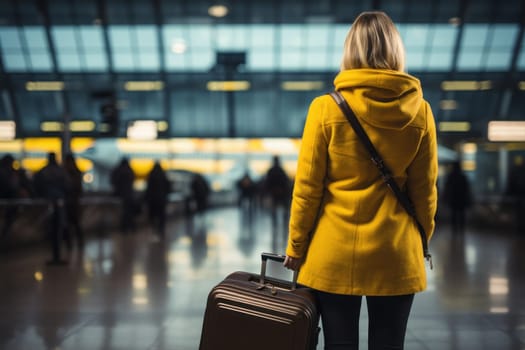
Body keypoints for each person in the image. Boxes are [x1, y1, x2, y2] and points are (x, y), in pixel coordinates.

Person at [283, 11, 438, 350]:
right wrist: (421, 238)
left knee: (340, 344)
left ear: (350, 50)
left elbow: (307, 188)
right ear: (396, 49)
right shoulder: (421, 112)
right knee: (389, 344)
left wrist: (296, 246)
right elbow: (425, 190)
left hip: (335, 252)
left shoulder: (325, 108)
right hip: (397, 250)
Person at [33, 152, 68, 265]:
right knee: (58, 228)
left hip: (47, 203)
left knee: (51, 229)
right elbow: (68, 186)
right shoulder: (61, 172)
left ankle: (55, 255)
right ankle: (57, 255)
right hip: (60, 203)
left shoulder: (43, 171)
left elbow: (36, 184)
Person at [442, 161, 472, 234]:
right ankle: (461, 230)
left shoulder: (451, 176)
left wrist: (445, 198)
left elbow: (447, 188)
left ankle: (455, 230)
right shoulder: (463, 177)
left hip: (454, 199)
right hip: (461, 199)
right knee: (461, 215)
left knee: (454, 215)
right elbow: (467, 189)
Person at [63, 153, 85, 249]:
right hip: (72, 202)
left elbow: (78, 188)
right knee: (71, 225)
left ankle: (75, 244)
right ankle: (71, 244)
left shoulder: (69, 173)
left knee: (75, 224)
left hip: (72, 203)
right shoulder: (74, 173)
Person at [145, 161, 171, 238]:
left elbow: (148, 188)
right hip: (161, 199)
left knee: (153, 215)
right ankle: (161, 230)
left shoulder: (151, 175)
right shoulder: (163, 175)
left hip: (152, 200)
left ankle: (154, 229)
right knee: (161, 216)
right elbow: (168, 187)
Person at [110, 158, 136, 233]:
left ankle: (124, 228)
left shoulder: (118, 170)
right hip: (129, 195)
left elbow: (113, 181)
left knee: (124, 212)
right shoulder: (130, 170)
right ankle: (131, 227)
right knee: (128, 212)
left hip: (120, 195)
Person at [264, 155, 291, 226]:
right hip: (282, 193)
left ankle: (275, 223)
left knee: (274, 210)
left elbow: (267, 183)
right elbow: (286, 182)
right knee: (284, 210)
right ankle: (284, 223)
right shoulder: (281, 170)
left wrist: (268, 192)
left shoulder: (271, 171)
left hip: (273, 193)